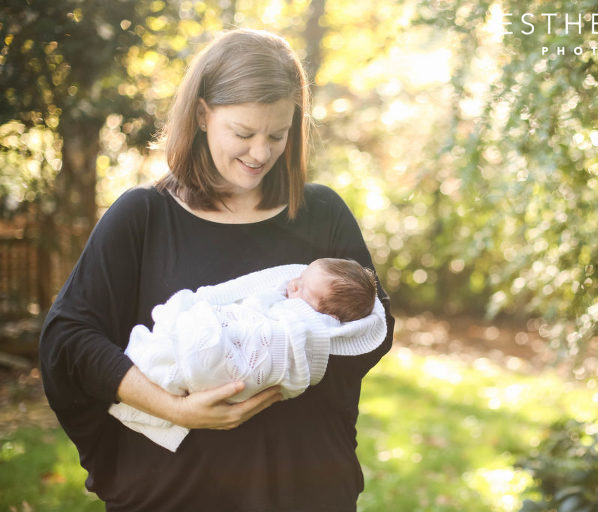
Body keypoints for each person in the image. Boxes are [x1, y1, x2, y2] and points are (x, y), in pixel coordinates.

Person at [38, 28, 394, 511]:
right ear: (203, 115)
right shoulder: (144, 217)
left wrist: (278, 346)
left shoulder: (322, 214)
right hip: (174, 492)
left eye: (278, 134)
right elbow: (70, 338)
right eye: (244, 133)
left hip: (303, 488)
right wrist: (176, 409)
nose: (261, 153)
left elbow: (375, 326)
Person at [108, 258, 387, 453]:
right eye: (299, 279)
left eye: (303, 289)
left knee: (187, 350)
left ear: (328, 317)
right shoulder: (289, 303)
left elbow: (260, 342)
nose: (292, 285)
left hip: (218, 363)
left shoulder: (302, 332)